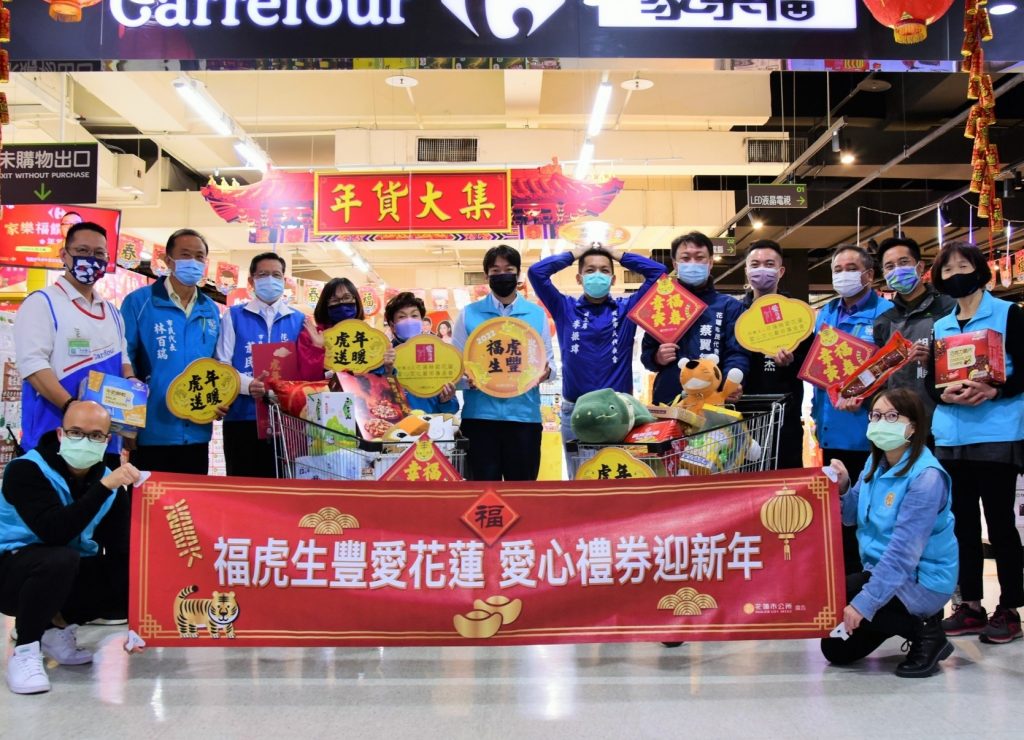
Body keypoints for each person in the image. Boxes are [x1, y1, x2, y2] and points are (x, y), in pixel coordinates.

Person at [1, 401, 141, 695]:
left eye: (95, 435)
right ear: (60, 434)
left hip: (62, 573)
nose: (85, 441)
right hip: (11, 574)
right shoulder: (26, 470)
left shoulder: (109, 483)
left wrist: (140, 624)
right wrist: (103, 488)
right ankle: (25, 649)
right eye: (76, 432)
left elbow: (123, 549)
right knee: (59, 558)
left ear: (107, 441)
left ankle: (56, 629)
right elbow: (55, 531)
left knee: (131, 572)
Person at [820, 389, 957, 678]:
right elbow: (851, 517)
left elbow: (903, 554)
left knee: (841, 593)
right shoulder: (875, 464)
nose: (882, 423)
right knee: (836, 650)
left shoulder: (926, 477)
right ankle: (901, 618)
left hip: (921, 579)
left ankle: (926, 632)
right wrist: (843, 487)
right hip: (880, 571)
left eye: (892, 416)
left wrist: (864, 603)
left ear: (914, 426)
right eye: (876, 416)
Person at [928, 242, 1024, 644]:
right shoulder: (941, 325)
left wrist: (994, 390)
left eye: (962, 266)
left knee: (1000, 523)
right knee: (961, 524)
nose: (955, 275)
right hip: (951, 437)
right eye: (947, 270)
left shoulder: (1008, 314)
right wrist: (944, 394)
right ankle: (970, 605)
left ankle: (1010, 608)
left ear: (980, 270)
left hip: (996, 433)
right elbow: (931, 384)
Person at [14, 221, 133, 465]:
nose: (91, 259)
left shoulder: (112, 312)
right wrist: (72, 407)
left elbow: (123, 359)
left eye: (99, 253)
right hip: (53, 434)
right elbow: (33, 365)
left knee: (103, 490)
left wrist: (133, 386)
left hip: (103, 439)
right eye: (82, 251)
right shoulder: (42, 303)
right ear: (64, 255)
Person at [528, 242, 665, 443]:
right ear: (579, 278)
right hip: (576, 411)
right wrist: (575, 254)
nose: (597, 275)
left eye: (604, 270)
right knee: (580, 465)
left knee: (617, 464)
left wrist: (617, 255)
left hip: (618, 412)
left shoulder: (627, 309)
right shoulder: (564, 308)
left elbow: (659, 273)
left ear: (613, 279)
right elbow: (536, 272)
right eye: (590, 270)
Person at [811, 245, 894, 574]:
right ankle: (844, 584)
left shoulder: (886, 313)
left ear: (869, 275)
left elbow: (893, 368)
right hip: (831, 429)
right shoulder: (826, 313)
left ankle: (873, 583)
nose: (842, 275)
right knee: (838, 513)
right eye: (837, 269)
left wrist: (866, 393)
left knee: (872, 514)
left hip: (872, 433)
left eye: (850, 268)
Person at [120, 229, 224, 474]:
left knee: (190, 497)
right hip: (151, 429)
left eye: (199, 257)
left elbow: (216, 364)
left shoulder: (210, 309)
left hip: (197, 429)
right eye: (185, 255)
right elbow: (124, 357)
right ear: (168, 260)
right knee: (149, 496)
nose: (193, 262)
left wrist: (220, 398)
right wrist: (127, 423)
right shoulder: (139, 302)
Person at [452, 245, 555, 481]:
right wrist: (469, 381)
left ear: (518, 274)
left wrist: (545, 372)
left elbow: (550, 366)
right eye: (495, 271)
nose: (502, 275)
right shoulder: (469, 314)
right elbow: (456, 370)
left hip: (524, 418)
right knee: (483, 492)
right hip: (479, 419)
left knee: (521, 492)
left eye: (508, 270)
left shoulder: (536, 314)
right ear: (486, 275)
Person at [215, 252, 305, 477]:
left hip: (286, 420)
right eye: (263, 274)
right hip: (242, 416)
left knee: (282, 485)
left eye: (276, 275)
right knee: (243, 484)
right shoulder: (234, 316)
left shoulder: (298, 320)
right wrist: (249, 385)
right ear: (251, 281)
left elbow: (305, 369)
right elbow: (222, 363)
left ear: (284, 280)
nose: (270, 280)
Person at [640, 231, 749, 406]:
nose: (693, 263)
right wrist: (656, 357)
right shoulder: (662, 305)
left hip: (715, 401)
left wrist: (730, 382)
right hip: (670, 400)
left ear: (710, 262)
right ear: (675, 264)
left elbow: (736, 352)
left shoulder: (730, 307)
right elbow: (647, 354)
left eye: (700, 258)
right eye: (685, 258)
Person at [739, 240, 812, 469]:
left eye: (769, 264)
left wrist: (791, 362)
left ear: (780, 271)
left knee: (785, 484)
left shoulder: (797, 315)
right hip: (741, 420)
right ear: (747, 270)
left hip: (785, 418)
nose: (762, 269)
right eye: (755, 264)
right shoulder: (736, 315)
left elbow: (811, 365)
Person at [873, 237, 956, 418]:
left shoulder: (949, 307)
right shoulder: (884, 321)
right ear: (884, 274)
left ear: (920, 267)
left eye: (903, 262)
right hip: (899, 417)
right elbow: (881, 375)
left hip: (944, 413)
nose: (897, 270)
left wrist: (933, 361)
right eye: (889, 266)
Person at [381, 292, 458, 415]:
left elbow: (452, 409)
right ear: (392, 325)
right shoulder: (384, 358)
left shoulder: (436, 353)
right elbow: (375, 401)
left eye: (414, 315)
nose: (409, 321)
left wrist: (446, 401)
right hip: (396, 424)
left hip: (432, 424)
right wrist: (387, 374)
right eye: (402, 317)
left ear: (422, 321)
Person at [296, 277, 364, 380]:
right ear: (325, 305)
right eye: (334, 300)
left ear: (356, 300)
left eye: (347, 297)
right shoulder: (310, 335)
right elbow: (308, 379)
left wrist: (386, 365)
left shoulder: (366, 336)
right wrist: (317, 347)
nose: (342, 304)